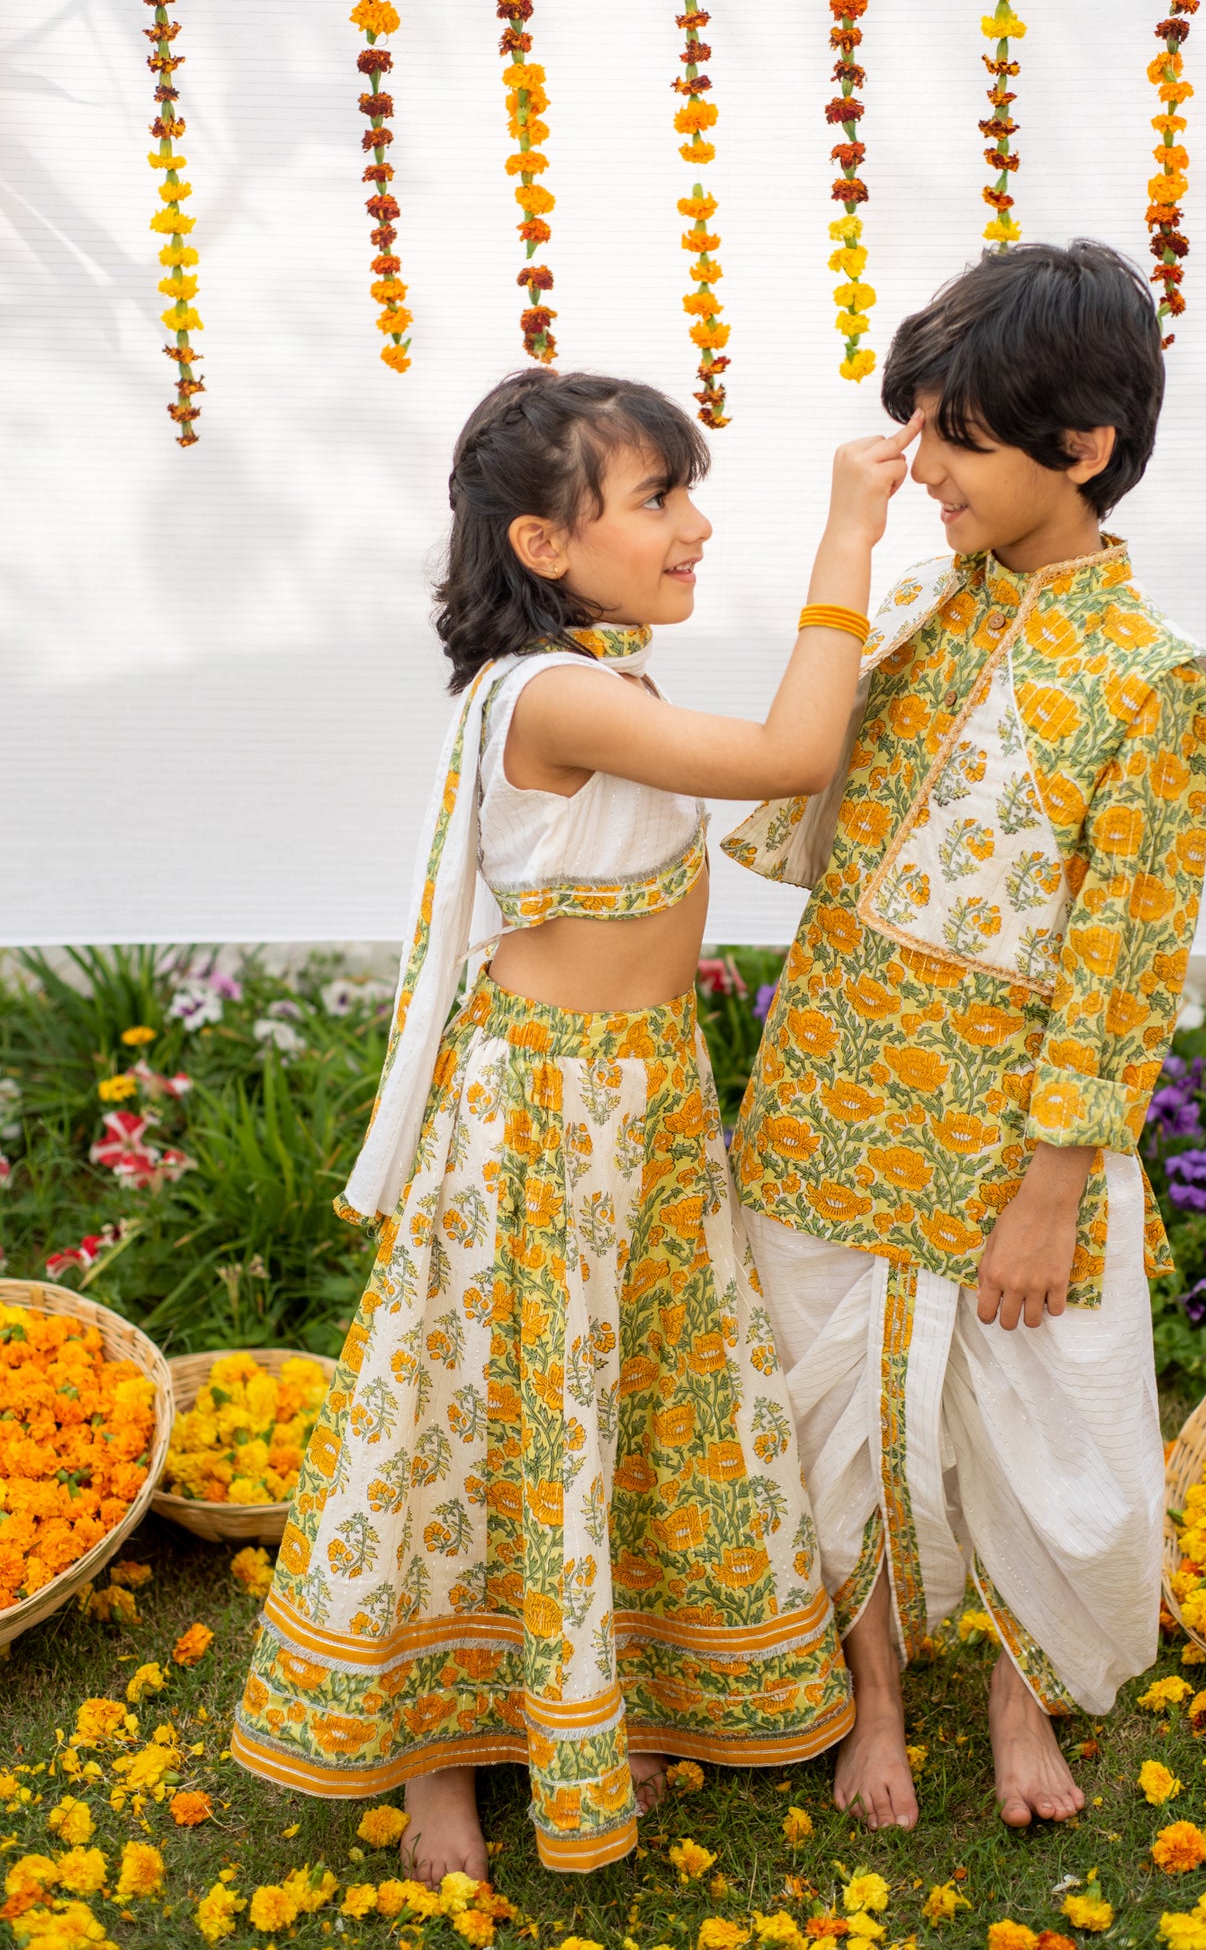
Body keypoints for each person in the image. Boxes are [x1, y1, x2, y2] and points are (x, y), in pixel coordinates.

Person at [232, 367, 922, 1880]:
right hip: (547, 1115)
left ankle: (609, 1690)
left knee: (626, 1404)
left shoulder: (607, 681)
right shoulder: (554, 697)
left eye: (686, 493)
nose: (692, 527)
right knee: (494, 1422)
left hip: (641, 1101)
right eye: (658, 499)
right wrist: (846, 540)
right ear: (544, 544)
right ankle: (438, 1765)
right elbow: (792, 755)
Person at [723, 240, 1206, 1835]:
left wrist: (1051, 1182)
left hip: (1008, 1127)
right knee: (833, 1408)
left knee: (1041, 1413)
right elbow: (783, 799)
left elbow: (1124, 957)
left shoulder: (1154, 683)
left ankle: (1020, 1699)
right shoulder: (923, 621)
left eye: (958, 436)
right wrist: (853, 547)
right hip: (826, 1082)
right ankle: (873, 1692)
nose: (924, 465)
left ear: (1077, 450)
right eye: (920, 424)